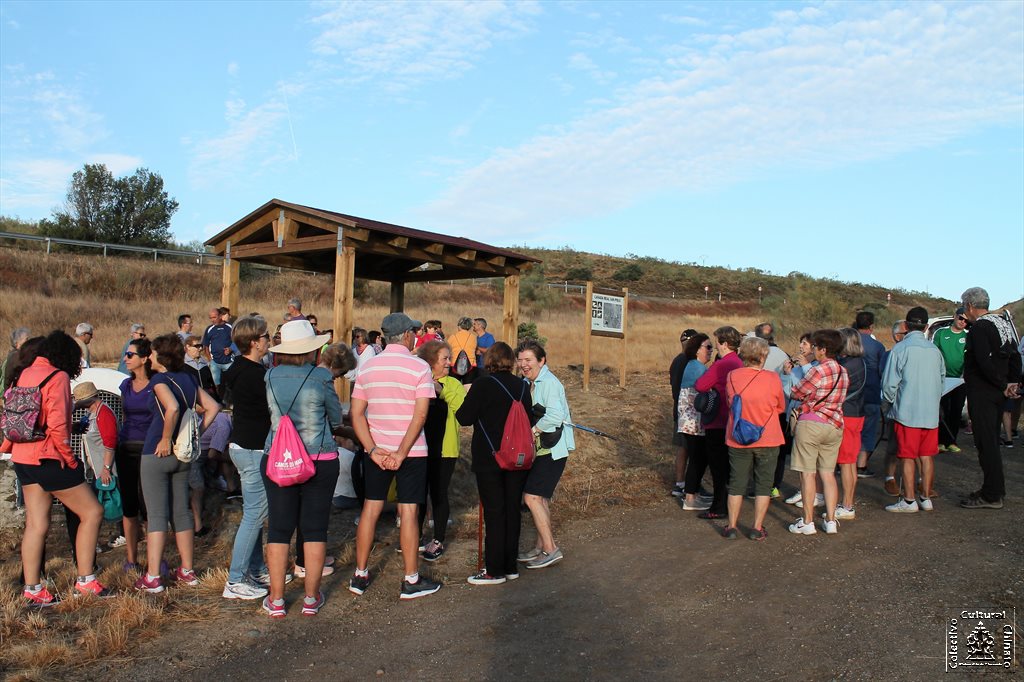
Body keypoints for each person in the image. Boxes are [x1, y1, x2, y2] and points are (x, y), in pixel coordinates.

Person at [1, 330, 109, 605]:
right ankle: (86, 580)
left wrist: (7, 447)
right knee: (92, 512)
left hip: (23, 457)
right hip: (49, 457)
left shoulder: (22, 373)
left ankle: (33, 589)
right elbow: (58, 427)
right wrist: (71, 460)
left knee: (36, 524)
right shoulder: (57, 377)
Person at [349, 313, 442, 600]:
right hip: (411, 451)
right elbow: (421, 415)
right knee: (409, 511)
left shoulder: (368, 366)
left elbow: (356, 414)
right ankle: (410, 579)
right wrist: (401, 452)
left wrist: (372, 449)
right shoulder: (419, 367)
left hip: (377, 449)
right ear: (407, 336)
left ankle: (360, 573)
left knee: (371, 509)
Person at [261, 320, 340, 616]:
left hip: (279, 457)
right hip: (319, 457)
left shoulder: (270, 375)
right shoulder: (321, 376)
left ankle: (277, 600)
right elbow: (335, 417)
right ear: (311, 349)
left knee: (279, 528)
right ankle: (310, 598)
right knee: (315, 528)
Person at [135, 334, 220, 593]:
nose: (148, 357)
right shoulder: (188, 378)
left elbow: (171, 408)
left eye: (152, 353)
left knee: (157, 515)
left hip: (157, 451)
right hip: (183, 454)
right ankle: (187, 570)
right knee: (181, 511)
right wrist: (194, 435)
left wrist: (165, 438)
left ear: (160, 357)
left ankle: (153, 576)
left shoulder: (159, 380)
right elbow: (213, 407)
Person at [456, 342, 536, 585]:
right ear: (511, 360)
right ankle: (510, 566)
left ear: (489, 359)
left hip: (489, 458)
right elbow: (529, 418)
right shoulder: (522, 386)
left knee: (494, 512)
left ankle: (494, 570)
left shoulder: (483, 384)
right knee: (512, 510)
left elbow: (464, 417)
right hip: (517, 457)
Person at [221, 316, 274, 601]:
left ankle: (255, 569)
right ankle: (236, 579)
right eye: (265, 336)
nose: (269, 340)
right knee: (255, 514)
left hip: (243, 445)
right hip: (252, 448)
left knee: (253, 512)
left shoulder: (237, 368)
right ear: (254, 342)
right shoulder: (255, 374)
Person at [959, 287, 1022, 510]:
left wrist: (1004, 385)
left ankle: (992, 494)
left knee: (986, 444)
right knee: (992, 441)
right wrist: (1012, 383)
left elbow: (983, 362)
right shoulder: (1003, 323)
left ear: (969, 305)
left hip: (984, 392)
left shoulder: (979, 328)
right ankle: (993, 488)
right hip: (998, 392)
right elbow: (1015, 355)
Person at [880, 307, 945, 514]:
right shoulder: (934, 350)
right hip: (930, 413)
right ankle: (925, 497)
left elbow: (889, 384)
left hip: (907, 412)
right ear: (926, 327)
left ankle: (909, 500)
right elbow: (942, 379)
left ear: (907, 326)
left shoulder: (900, 349)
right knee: (927, 456)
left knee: (907, 456)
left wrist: (889, 403)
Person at [721, 337, 786, 540]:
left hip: (737, 436)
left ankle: (732, 526)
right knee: (764, 484)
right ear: (763, 356)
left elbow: (730, 403)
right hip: (768, 436)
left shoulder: (732, 376)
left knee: (736, 483)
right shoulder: (773, 378)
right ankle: (757, 527)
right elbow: (780, 407)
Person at [517, 340, 575, 568]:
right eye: (520, 360)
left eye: (528, 360)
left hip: (553, 449)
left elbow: (555, 416)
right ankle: (541, 547)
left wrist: (532, 431)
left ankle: (551, 549)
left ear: (541, 361)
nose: (524, 364)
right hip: (542, 449)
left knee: (531, 497)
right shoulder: (528, 382)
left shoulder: (549, 383)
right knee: (539, 498)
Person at [787, 329, 848, 536]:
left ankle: (807, 521)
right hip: (834, 424)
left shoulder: (817, 370)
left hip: (811, 424)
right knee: (828, 474)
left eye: (815, 347)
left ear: (823, 349)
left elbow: (796, 392)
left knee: (807, 474)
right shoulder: (842, 371)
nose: (813, 350)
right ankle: (830, 520)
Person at [415, 340, 466, 562]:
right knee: (417, 494)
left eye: (449, 358)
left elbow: (463, 411)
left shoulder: (453, 383)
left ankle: (438, 539)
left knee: (438, 493)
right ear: (431, 361)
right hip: (419, 447)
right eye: (444, 358)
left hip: (445, 450)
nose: (449, 362)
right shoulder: (419, 381)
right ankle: (414, 536)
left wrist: (442, 391)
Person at [693, 326, 744, 520]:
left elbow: (701, 385)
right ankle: (728, 503)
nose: (715, 346)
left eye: (717, 342)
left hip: (717, 418)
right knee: (729, 465)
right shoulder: (739, 362)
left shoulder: (722, 364)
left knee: (717, 466)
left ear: (724, 343)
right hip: (734, 420)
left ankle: (719, 506)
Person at [117, 337, 155, 571]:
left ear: (144, 358)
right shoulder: (125, 385)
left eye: (130, 355)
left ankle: (154, 558)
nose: (126, 358)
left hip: (149, 449)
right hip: (126, 447)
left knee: (149, 506)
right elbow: (124, 415)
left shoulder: (156, 384)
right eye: (126, 354)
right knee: (129, 505)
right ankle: (131, 560)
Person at [677, 333, 714, 511]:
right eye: (708, 347)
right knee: (697, 460)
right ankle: (690, 497)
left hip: (691, 422)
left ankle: (694, 494)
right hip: (693, 423)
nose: (711, 351)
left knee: (698, 458)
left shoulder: (694, 366)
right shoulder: (697, 368)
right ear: (697, 349)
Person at [835, 328, 866, 519]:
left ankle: (847, 505)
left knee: (846, 463)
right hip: (857, 414)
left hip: (847, 415)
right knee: (851, 462)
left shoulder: (846, 366)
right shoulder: (860, 362)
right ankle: (848, 503)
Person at [854, 311, 886, 478]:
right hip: (871, 393)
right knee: (868, 429)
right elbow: (882, 371)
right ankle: (861, 465)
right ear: (872, 326)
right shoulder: (878, 347)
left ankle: (844, 462)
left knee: (849, 429)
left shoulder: (848, 344)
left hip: (850, 396)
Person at [933, 308, 969, 453]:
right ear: (955, 316)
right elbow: (934, 353)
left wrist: (965, 374)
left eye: (966, 320)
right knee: (942, 410)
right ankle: (940, 441)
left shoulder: (968, 336)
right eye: (961, 318)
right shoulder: (941, 333)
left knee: (956, 410)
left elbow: (969, 357)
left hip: (959, 380)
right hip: (942, 379)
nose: (963, 322)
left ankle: (951, 441)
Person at [668, 329, 699, 498]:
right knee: (685, 448)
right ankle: (682, 485)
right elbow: (680, 390)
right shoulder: (685, 361)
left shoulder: (679, 360)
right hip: (685, 412)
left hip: (681, 410)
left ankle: (684, 484)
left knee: (685, 448)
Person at [201, 307, 236, 388]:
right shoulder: (209, 329)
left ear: (220, 316)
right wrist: (210, 359)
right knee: (216, 385)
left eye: (214, 317)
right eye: (210, 318)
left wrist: (230, 349)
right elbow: (206, 345)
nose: (212, 320)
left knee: (231, 384)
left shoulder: (229, 327)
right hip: (215, 362)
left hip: (229, 361)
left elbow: (236, 342)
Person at [184, 334, 219, 401]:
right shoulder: (181, 365)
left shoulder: (204, 363)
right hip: (192, 401)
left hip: (208, 400)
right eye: (197, 346)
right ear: (188, 347)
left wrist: (217, 399)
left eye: (201, 346)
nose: (200, 349)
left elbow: (211, 383)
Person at [448, 317, 478, 384]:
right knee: (468, 386)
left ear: (459, 326)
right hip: (471, 364)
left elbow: (448, 349)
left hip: (454, 364)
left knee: (455, 386)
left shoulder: (453, 336)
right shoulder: (473, 337)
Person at [1, 326, 30, 393]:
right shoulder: (15, 356)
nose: (29, 342)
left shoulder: (20, 354)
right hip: (17, 392)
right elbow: (7, 379)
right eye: (26, 339)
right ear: (17, 343)